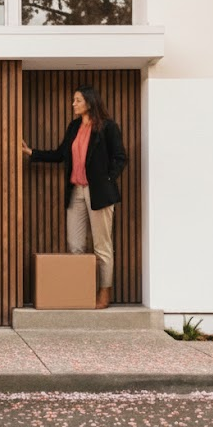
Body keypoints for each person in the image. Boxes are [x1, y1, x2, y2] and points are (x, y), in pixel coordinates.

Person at [22, 85, 127, 309]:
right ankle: (80, 290)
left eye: (77, 100)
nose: (73, 104)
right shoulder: (74, 127)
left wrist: (107, 180)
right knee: (75, 245)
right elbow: (60, 154)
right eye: (74, 100)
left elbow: (120, 157)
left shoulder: (108, 128)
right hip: (76, 192)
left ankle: (104, 292)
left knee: (102, 245)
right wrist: (32, 152)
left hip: (99, 192)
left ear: (89, 102)